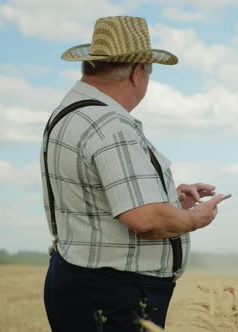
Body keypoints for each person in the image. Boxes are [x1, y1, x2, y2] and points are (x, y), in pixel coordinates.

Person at [40, 15, 228, 331]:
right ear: (138, 73)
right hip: (115, 295)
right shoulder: (111, 126)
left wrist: (167, 198)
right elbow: (146, 219)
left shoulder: (68, 114)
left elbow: (94, 198)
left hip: (79, 281)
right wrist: (196, 218)